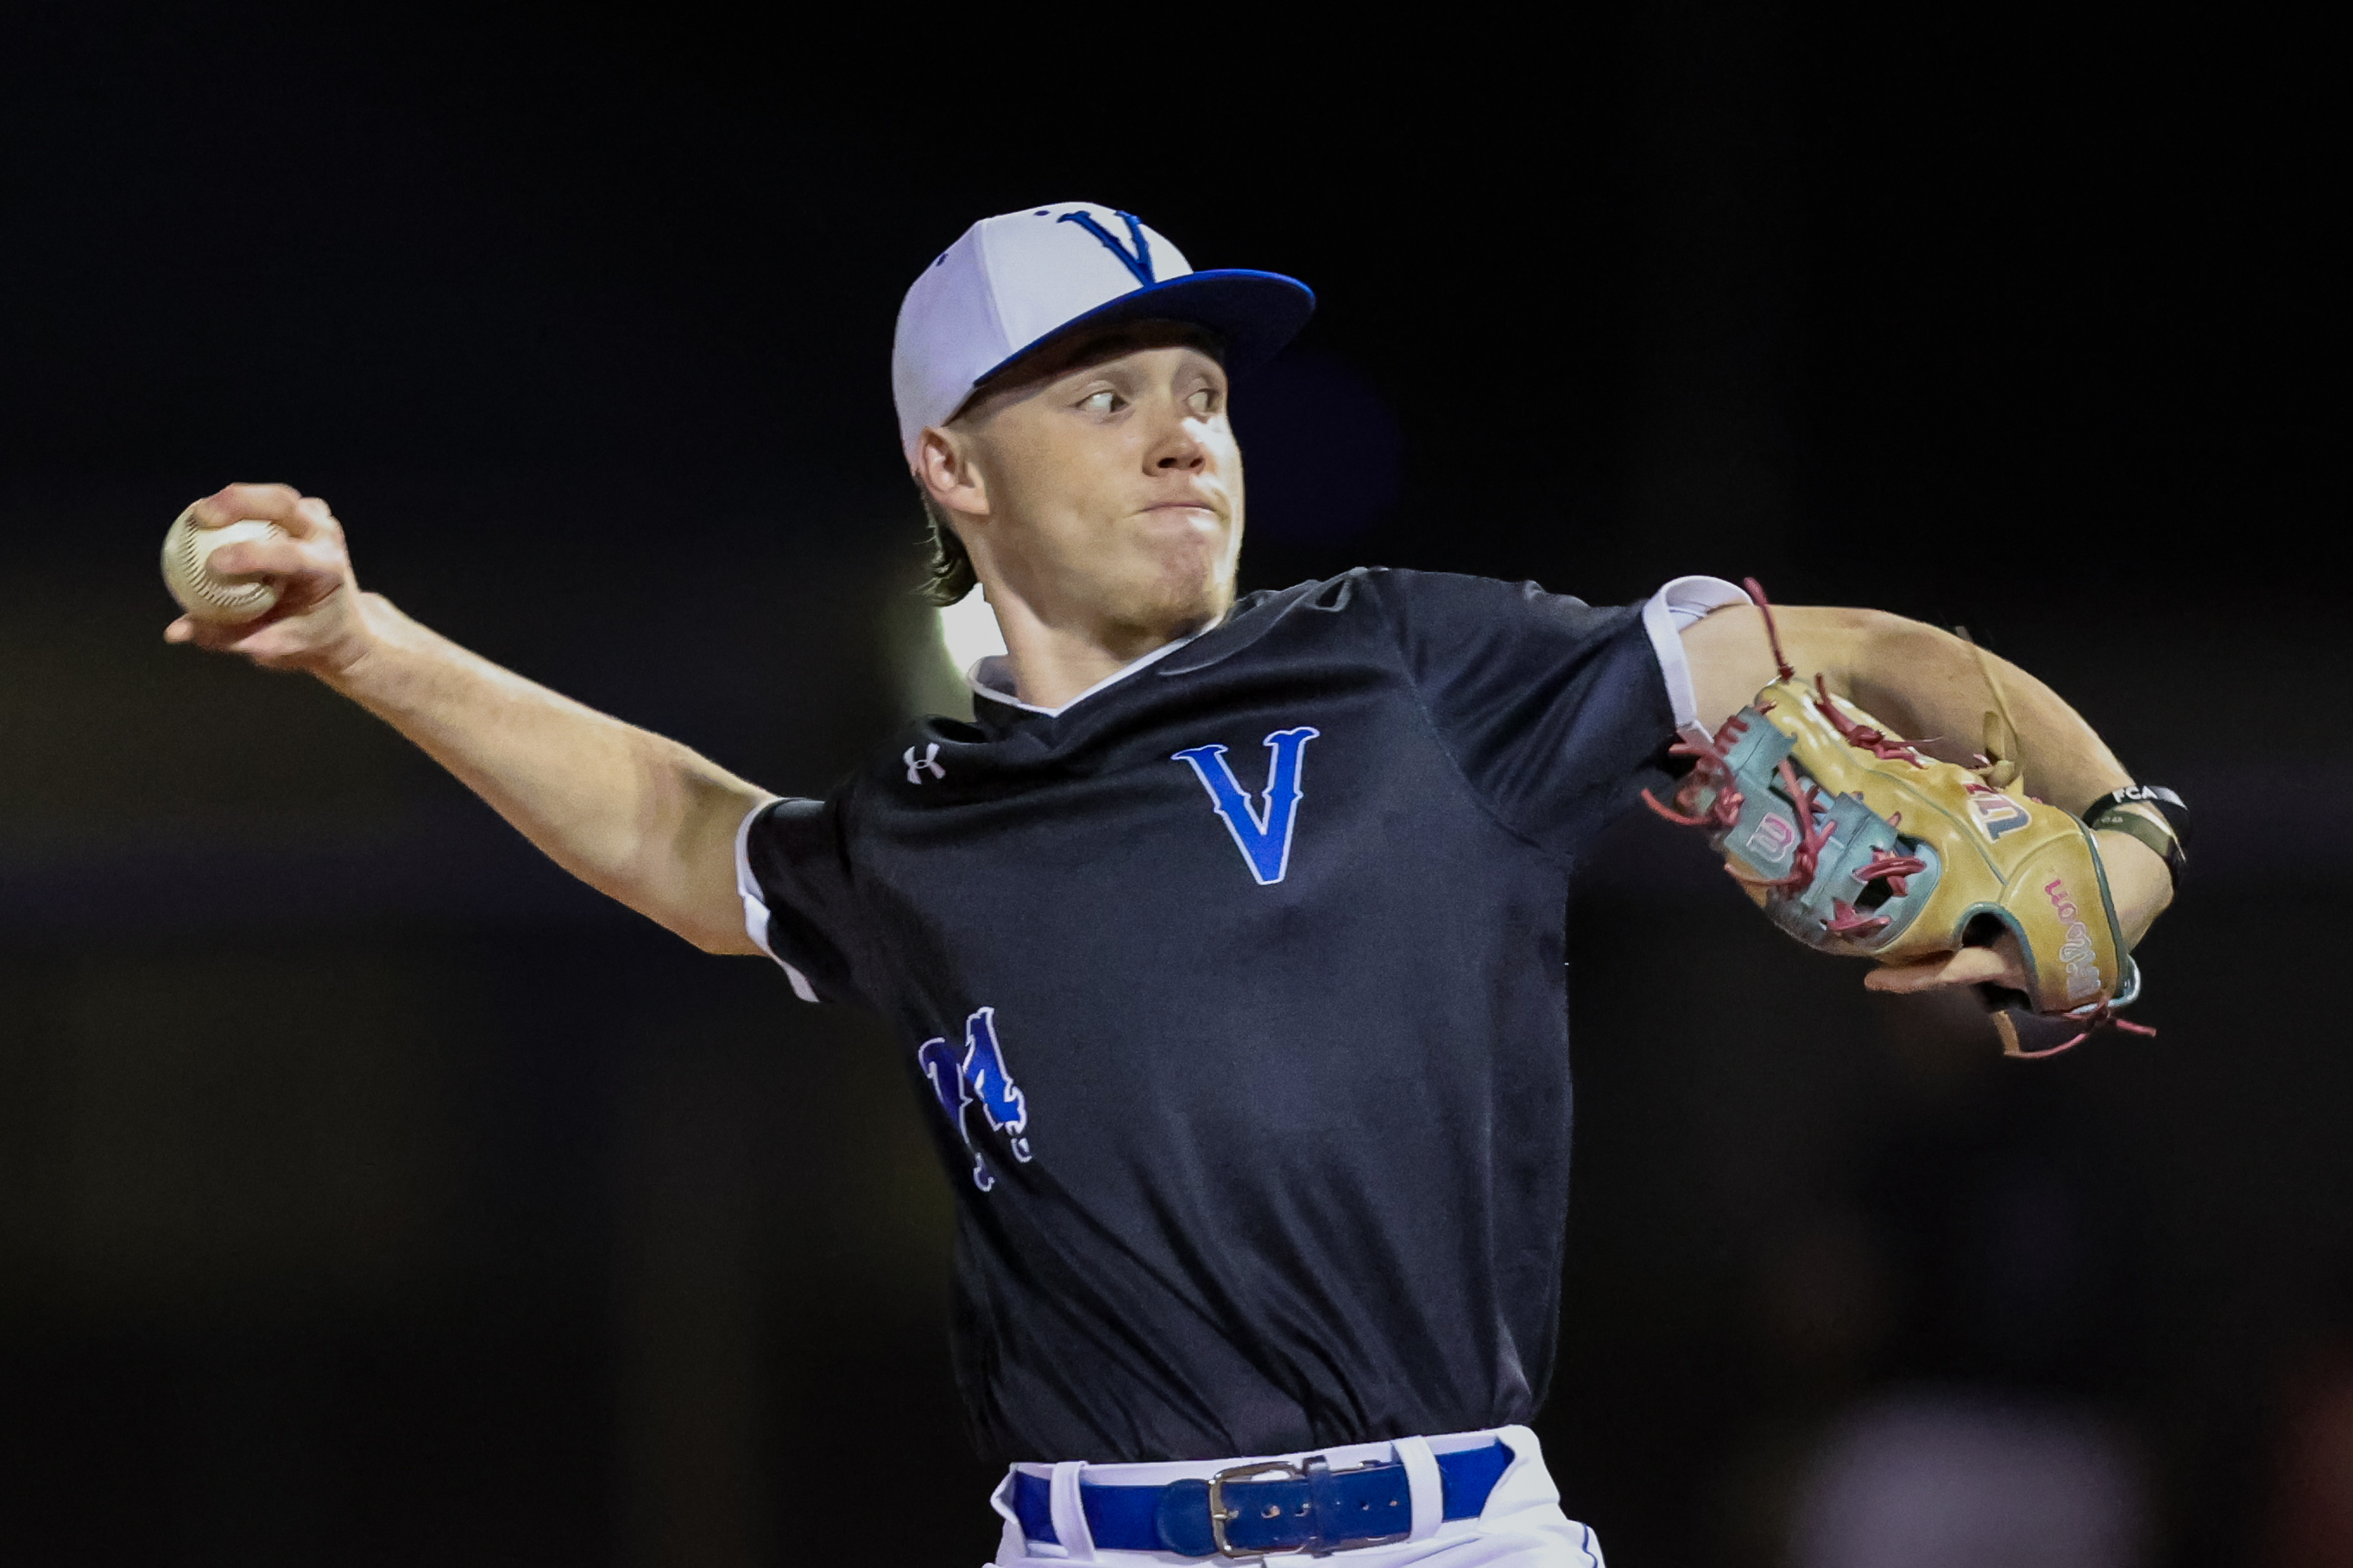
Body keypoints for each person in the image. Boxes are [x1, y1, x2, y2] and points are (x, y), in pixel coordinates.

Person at [167, 202, 2174, 1565]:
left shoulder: (1405, 666)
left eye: (1202, 392)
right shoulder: (928, 825)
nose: (1182, 434)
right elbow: (697, 846)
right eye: (1103, 394)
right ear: (952, 467)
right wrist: (361, 643)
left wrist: (2130, 839)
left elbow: (1861, 650)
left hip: (1443, 1536)